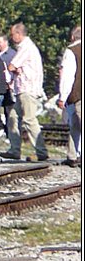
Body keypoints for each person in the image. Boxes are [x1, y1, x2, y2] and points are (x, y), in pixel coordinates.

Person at [0, 22, 48, 161]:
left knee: (29, 119)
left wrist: (15, 68)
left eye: (13, 34)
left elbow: (11, 66)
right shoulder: (25, 47)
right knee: (13, 117)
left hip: (28, 89)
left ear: (19, 34)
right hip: (22, 90)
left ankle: (41, 151)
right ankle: (15, 150)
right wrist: (16, 68)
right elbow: (14, 67)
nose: (11, 37)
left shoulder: (26, 47)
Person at [57, 26, 81, 167]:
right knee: (76, 125)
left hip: (78, 94)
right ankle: (72, 155)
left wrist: (62, 96)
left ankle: (73, 156)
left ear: (72, 37)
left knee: (77, 124)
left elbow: (68, 76)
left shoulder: (71, 51)